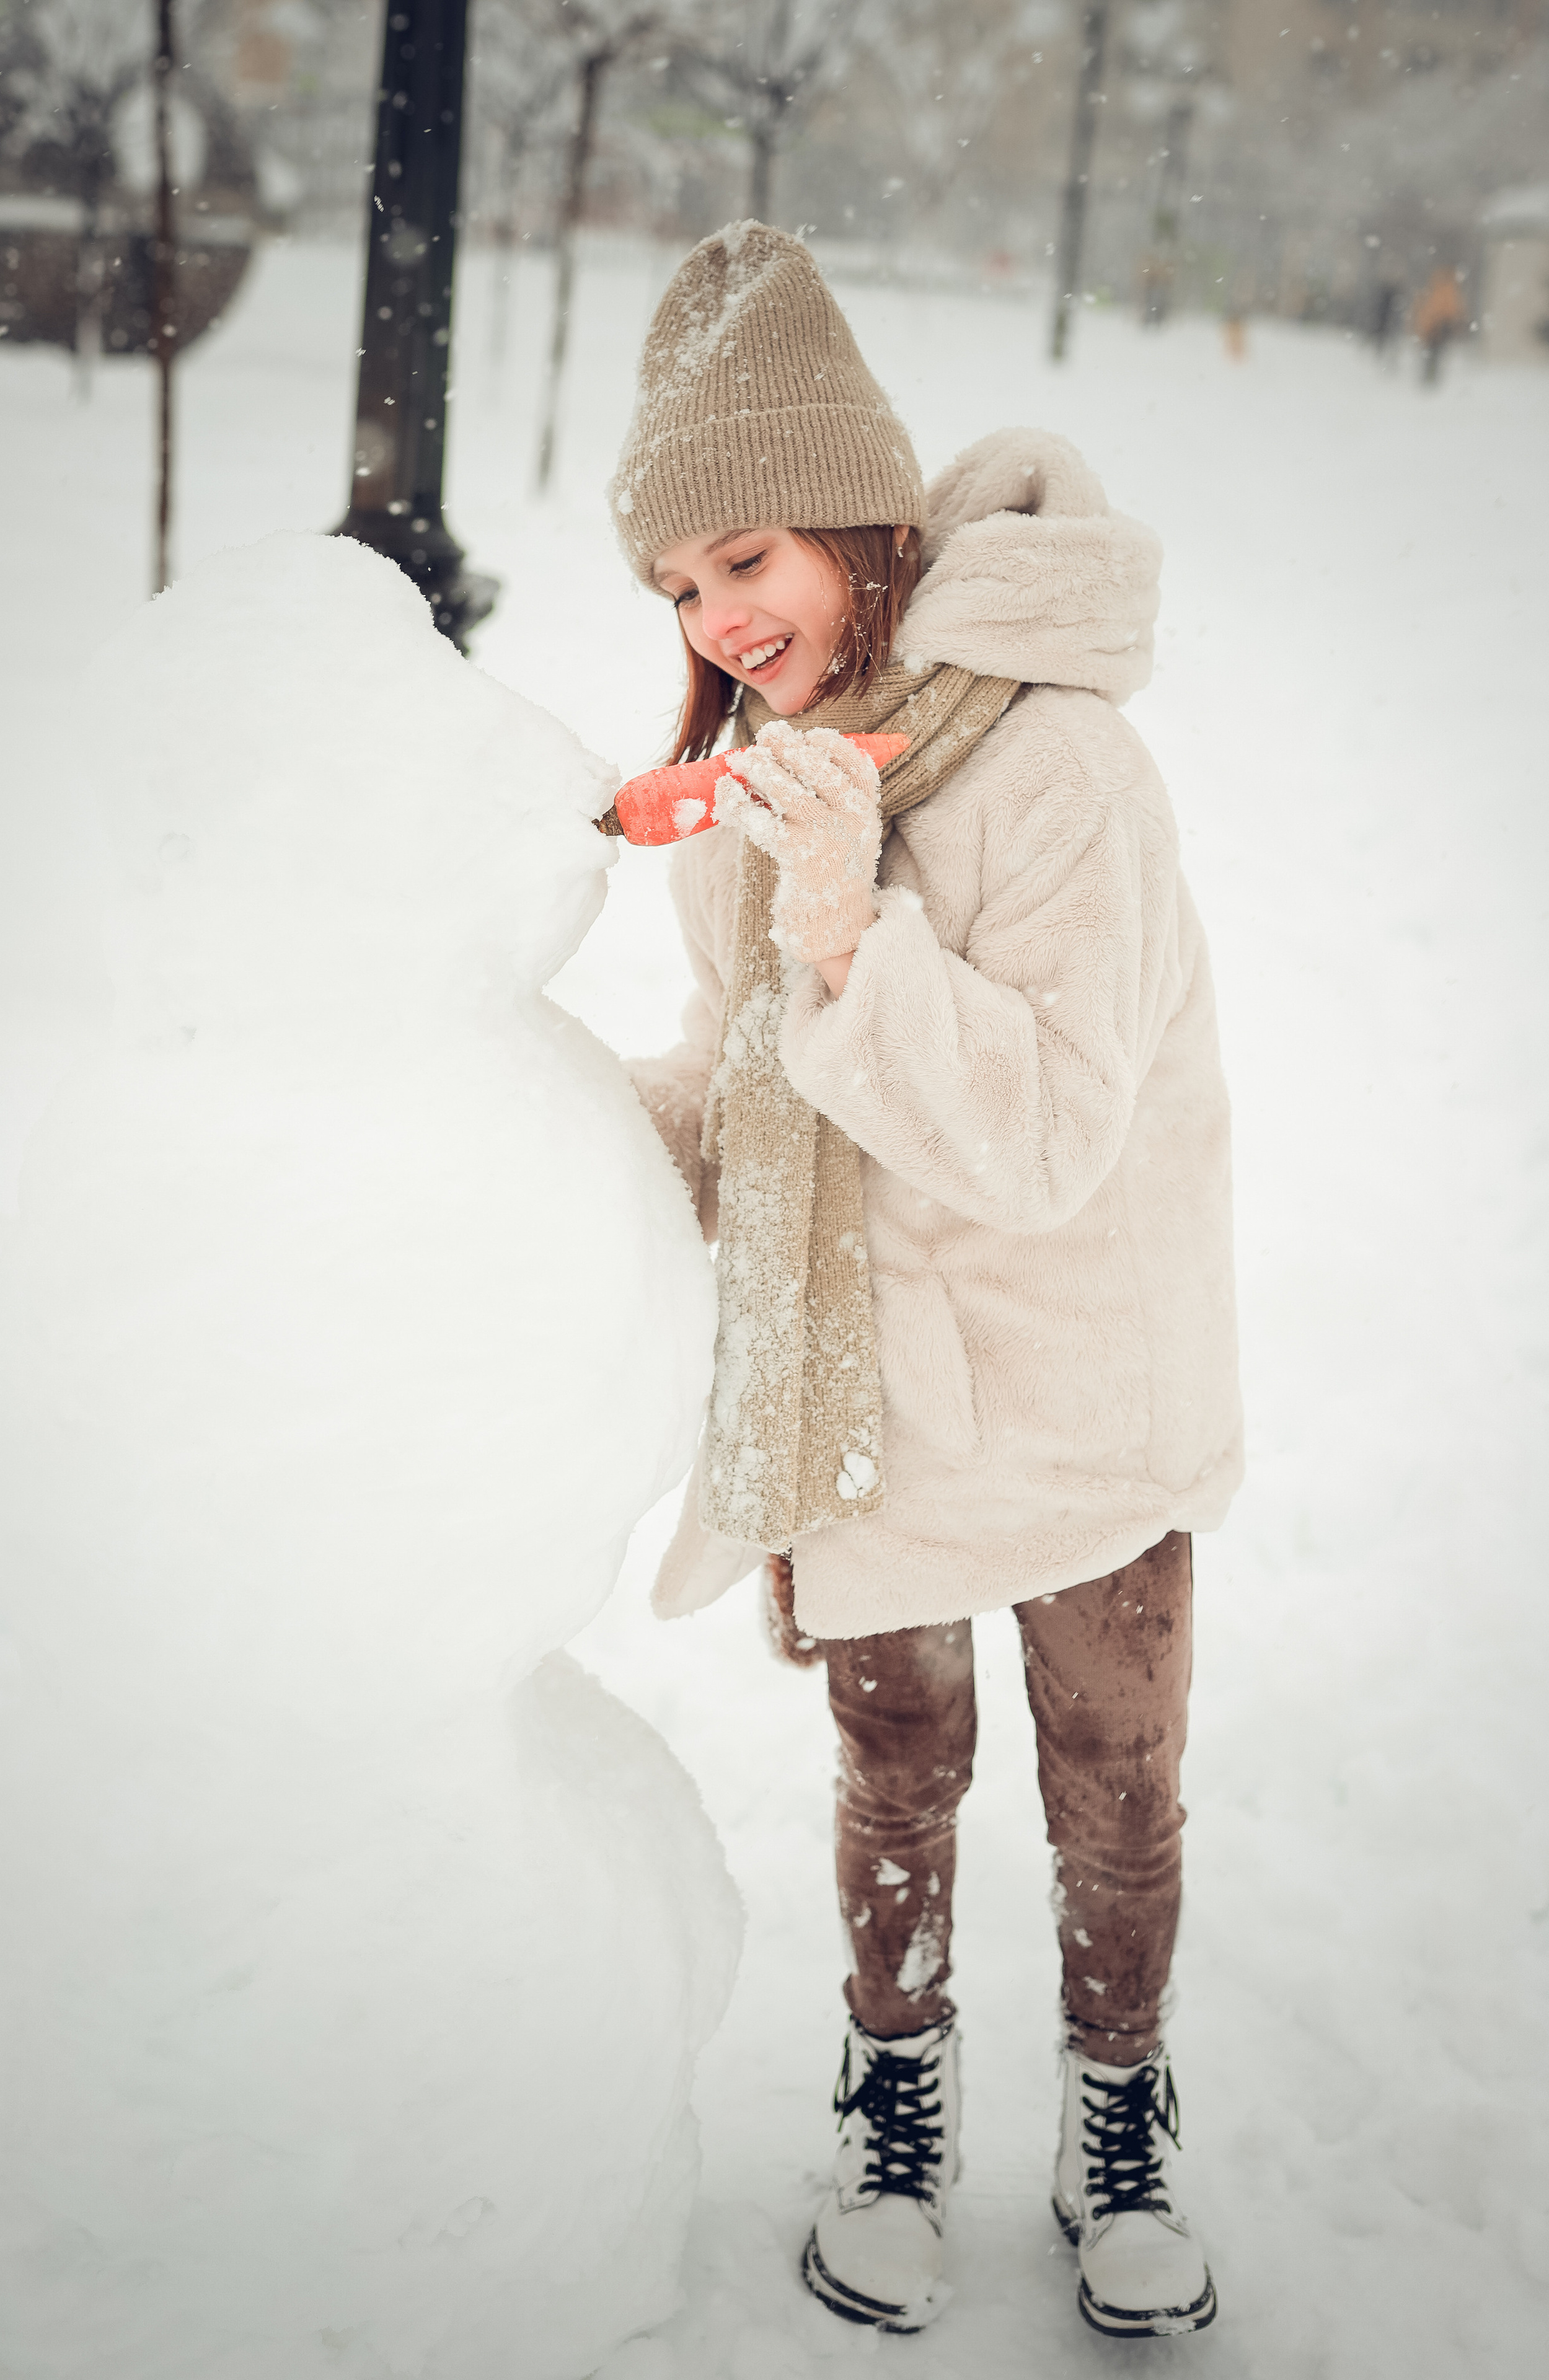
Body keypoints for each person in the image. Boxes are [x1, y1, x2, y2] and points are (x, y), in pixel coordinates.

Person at [611, 223, 1242, 2341]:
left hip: (1080, 1372)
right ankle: (897, 2084)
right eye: (681, 588)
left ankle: (1119, 2098)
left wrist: (847, 918)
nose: (719, 619)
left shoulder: (1065, 770)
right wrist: (558, 1133)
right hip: (863, 1386)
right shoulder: (756, 801)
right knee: (894, 1771)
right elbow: (728, 1073)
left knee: (1111, 1778)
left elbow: (1055, 1134)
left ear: (860, 523)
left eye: (749, 557)